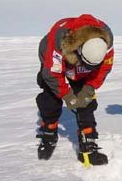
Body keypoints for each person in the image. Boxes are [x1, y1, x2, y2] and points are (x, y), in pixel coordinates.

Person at [36, 14, 114, 165]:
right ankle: (49, 131)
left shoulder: (106, 39)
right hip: (52, 59)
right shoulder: (59, 40)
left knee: (86, 102)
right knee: (51, 99)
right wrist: (67, 96)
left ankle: (88, 141)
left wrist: (89, 89)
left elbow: (104, 68)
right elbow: (52, 73)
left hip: (79, 60)